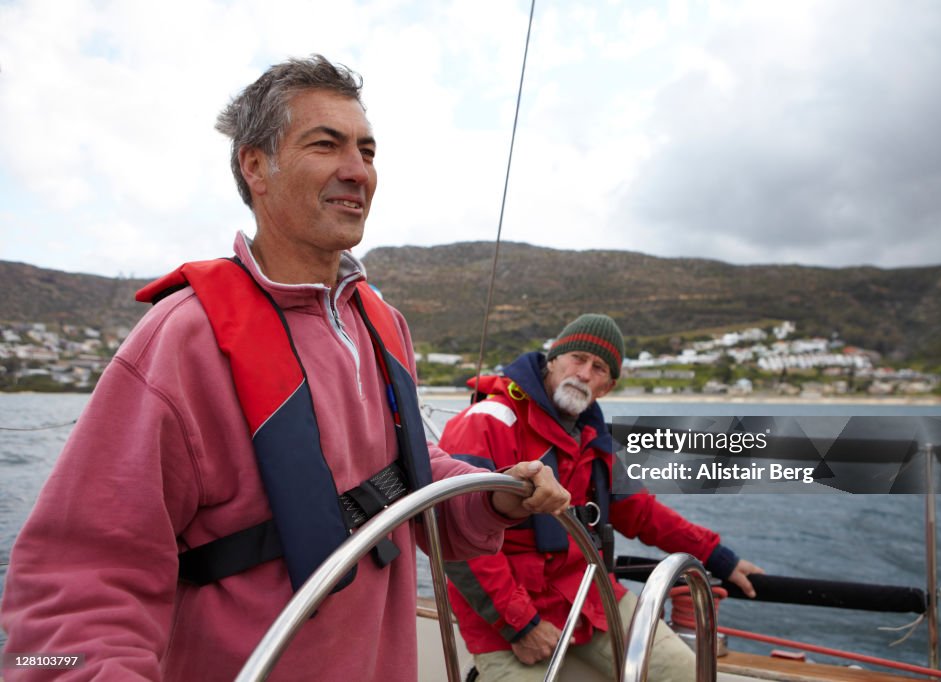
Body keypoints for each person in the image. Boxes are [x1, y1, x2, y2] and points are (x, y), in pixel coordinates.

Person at [0, 55, 570, 681]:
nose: (358, 171)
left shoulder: (382, 326)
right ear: (255, 166)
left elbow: (405, 479)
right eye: (326, 145)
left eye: (368, 151)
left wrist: (495, 499)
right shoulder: (183, 339)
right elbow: (75, 587)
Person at [440, 314, 765, 681]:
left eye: (598, 368)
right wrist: (520, 624)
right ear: (553, 359)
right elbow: (457, 535)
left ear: (606, 387)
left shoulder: (595, 441)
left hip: (589, 598)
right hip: (506, 618)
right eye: (577, 358)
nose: (583, 373)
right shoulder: (487, 422)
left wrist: (717, 556)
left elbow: (641, 514)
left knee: (690, 674)